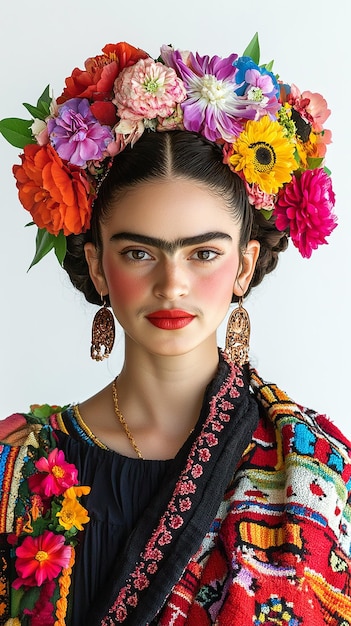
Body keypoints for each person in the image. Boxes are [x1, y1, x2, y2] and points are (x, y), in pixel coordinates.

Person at [0, 35, 349, 626]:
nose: (172, 284)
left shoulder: (318, 470)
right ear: (96, 265)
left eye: (203, 254)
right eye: (139, 253)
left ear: (242, 264)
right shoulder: (18, 468)